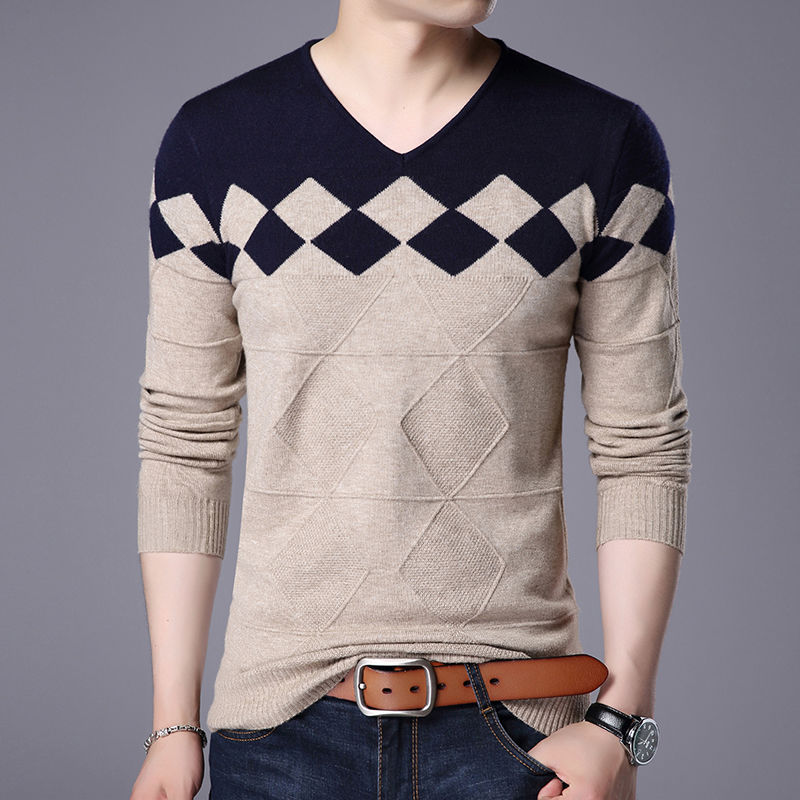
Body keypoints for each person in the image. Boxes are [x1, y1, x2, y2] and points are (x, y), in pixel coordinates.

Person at [129, 2, 691, 799]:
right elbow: (185, 440)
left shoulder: (599, 143)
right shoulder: (214, 145)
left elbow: (643, 446)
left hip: (519, 742)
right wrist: (172, 724)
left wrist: (620, 723)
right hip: (280, 739)